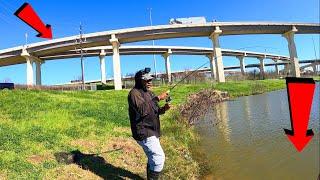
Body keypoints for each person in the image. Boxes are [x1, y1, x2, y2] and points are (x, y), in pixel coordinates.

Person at [128, 68, 170, 180]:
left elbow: (153, 109)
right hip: (143, 131)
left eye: (150, 79)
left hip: (153, 130)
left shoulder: (150, 93)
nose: (150, 82)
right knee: (158, 158)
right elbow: (142, 110)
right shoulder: (134, 93)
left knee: (152, 157)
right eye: (147, 80)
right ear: (139, 81)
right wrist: (158, 98)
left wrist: (163, 109)